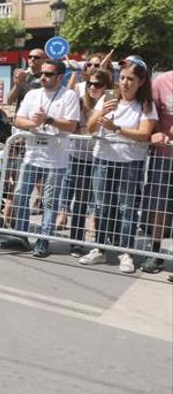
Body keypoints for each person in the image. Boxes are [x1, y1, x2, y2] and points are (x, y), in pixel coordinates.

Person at [81, 56, 158, 273]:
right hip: (103, 159)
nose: (125, 83)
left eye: (131, 79)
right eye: (122, 78)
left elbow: (144, 134)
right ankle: (100, 248)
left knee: (127, 208)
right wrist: (101, 113)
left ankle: (126, 252)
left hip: (130, 162)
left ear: (141, 82)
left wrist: (116, 129)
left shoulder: (145, 105)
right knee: (102, 206)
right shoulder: (107, 98)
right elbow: (91, 128)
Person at [9, 60, 80, 257]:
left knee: (49, 202)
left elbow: (72, 125)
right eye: (42, 73)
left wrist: (49, 120)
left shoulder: (69, 96)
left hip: (55, 159)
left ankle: (43, 240)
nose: (43, 77)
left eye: (48, 74)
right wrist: (34, 122)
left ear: (59, 77)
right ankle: (20, 236)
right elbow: (18, 119)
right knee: (21, 195)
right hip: (32, 155)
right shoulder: (32, 93)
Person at [57, 68, 113, 258]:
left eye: (98, 85)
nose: (92, 88)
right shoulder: (79, 101)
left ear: (107, 87)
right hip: (79, 157)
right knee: (80, 201)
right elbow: (76, 127)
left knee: (100, 203)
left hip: (101, 158)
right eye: (90, 84)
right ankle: (76, 243)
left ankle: (101, 243)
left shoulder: (110, 103)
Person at [141, 69, 172, 274]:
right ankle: (155, 253)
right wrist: (155, 132)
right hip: (163, 156)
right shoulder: (162, 81)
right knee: (158, 205)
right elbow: (148, 113)